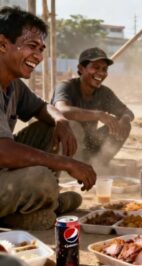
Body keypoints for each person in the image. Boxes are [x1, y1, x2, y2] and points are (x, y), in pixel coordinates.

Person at [0, 7, 96, 230]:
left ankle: (37, 204)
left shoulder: (12, 84)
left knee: (52, 126)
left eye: (41, 49)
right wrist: (67, 163)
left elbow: (43, 107)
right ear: (3, 44)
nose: (39, 56)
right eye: (32, 46)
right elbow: (3, 153)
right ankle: (44, 200)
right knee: (41, 179)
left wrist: (61, 121)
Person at [52, 47, 134, 168]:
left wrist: (124, 119)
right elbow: (61, 110)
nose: (101, 73)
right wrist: (98, 114)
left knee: (124, 125)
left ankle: (98, 166)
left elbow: (127, 112)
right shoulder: (66, 86)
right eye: (96, 67)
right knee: (73, 125)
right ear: (81, 69)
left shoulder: (104, 93)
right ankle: (70, 168)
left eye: (104, 69)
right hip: (62, 146)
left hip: (88, 145)